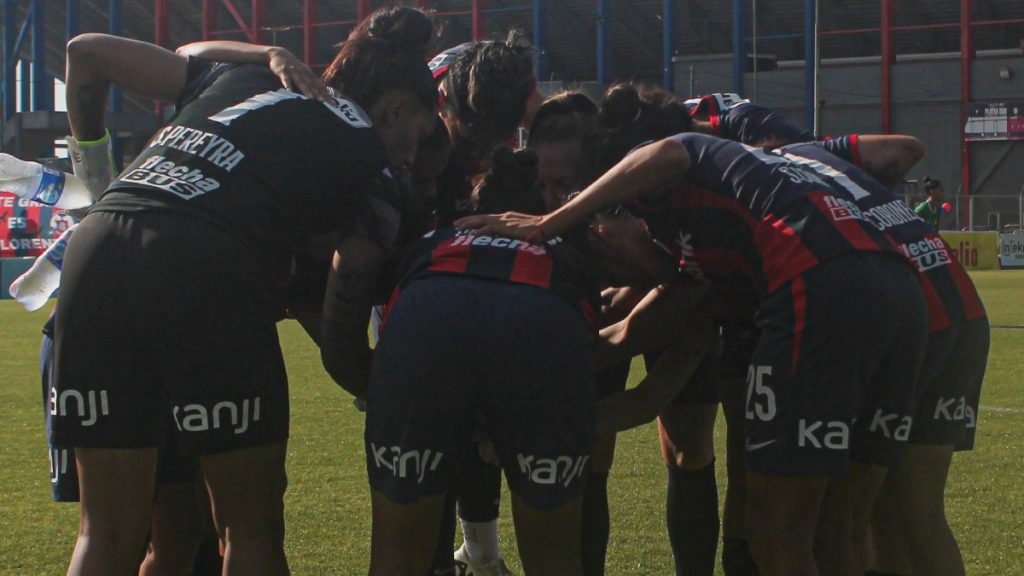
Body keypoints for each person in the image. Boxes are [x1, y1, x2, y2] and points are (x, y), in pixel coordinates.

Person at [52, 7, 437, 574]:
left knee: (106, 530)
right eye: (418, 135)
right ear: (398, 107)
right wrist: (375, 381)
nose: (411, 154)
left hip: (96, 244)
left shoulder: (244, 78)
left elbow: (86, 49)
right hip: (203, 258)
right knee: (249, 528)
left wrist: (93, 170)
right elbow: (351, 277)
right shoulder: (367, 152)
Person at [457, 130, 929, 576]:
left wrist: (548, 223)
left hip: (820, 281)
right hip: (902, 289)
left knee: (776, 533)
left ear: (614, 217)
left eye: (607, 262)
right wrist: (525, 428)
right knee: (839, 531)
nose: (617, 280)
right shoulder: (700, 271)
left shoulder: (675, 190)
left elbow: (669, 152)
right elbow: (643, 389)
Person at [349, 149, 599, 576]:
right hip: (541, 325)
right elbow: (587, 353)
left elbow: (388, 330)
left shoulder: (437, 238)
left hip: (427, 318)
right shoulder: (564, 248)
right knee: (556, 562)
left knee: (395, 561)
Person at [800, 135, 989, 576]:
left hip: (910, 320)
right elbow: (906, 148)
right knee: (909, 511)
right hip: (960, 306)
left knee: (857, 510)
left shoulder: (767, 171)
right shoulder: (825, 163)